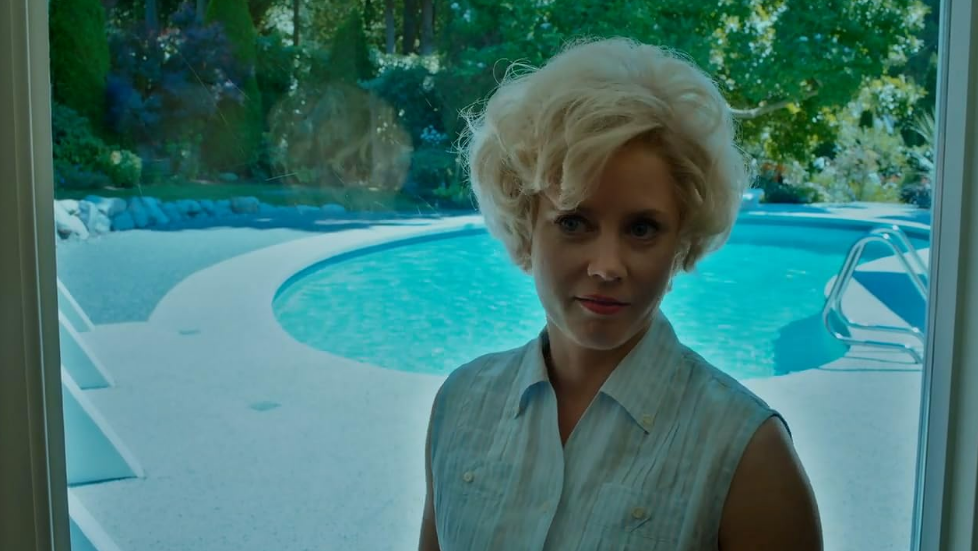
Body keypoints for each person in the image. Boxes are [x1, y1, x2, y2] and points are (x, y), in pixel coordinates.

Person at [418, 37, 822, 551]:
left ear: (683, 240)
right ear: (525, 228)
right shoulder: (461, 404)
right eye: (574, 222)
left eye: (641, 229)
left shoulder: (748, 455)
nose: (607, 266)